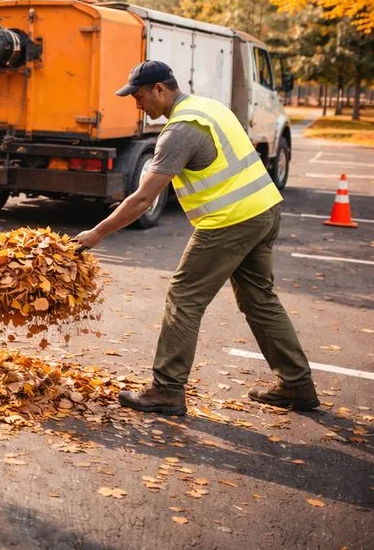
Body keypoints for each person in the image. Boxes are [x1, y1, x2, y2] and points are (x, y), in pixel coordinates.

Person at [75, 60, 319, 416]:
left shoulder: (180, 131)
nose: (138, 105)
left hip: (230, 220)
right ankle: (297, 384)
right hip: (264, 210)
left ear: (160, 89)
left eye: (140, 97)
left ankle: (167, 389)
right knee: (258, 299)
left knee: (184, 296)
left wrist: (97, 233)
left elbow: (143, 198)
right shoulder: (208, 107)